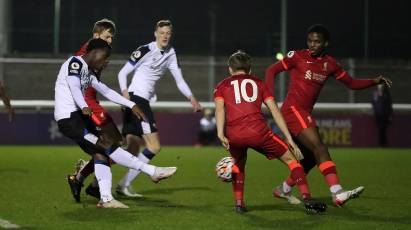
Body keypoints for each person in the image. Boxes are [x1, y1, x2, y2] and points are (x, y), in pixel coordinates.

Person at [265, 24, 392, 206]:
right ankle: (337, 193)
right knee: (320, 147)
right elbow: (271, 70)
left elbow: (351, 83)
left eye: (317, 41)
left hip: (304, 112)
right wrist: (269, 97)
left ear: (325, 43)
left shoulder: (330, 64)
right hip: (293, 110)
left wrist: (374, 81)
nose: (312, 44)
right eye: (310, 40)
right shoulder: (298, 56)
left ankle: (283, 189)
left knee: (310, 158)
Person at [54, 38, 177, 208]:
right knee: (106, 145)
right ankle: (152, 171)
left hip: (78, 117)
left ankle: (105, 199)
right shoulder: (74, 63)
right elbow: (74, 86)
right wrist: (83, 106)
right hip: (69, 119)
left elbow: (106, 90)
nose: (106, 62)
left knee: (102, 153)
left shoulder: (88, 72)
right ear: (95, 53)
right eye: (104, 58)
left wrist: (131, 104)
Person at [214, 50, 326, 214]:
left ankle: (239, 204)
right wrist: (289, 138)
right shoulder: (259, 83)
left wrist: (220, 133)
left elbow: (219, 110)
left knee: (238, 166)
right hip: (258, 132)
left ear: (230, 70)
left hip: (235, 134)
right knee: (293, 161)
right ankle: (307, 198)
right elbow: (274, 110)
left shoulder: (221, 86)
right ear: (250, 69)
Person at [116, 20, 202, 195]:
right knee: (154, 146)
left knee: (132, 147)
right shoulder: (145, 49)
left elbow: (179, 80)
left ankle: (103, 172)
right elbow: (122, 73)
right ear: (155, 33)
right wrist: (125, 93)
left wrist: (191, 97)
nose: (164, 36)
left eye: (168, 33)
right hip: (136, 100)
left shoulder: (171, 53)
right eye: (161, 32)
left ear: (171, 35)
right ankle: (123, 182)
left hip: (139, 101)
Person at [68, 19, 143, 201]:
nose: (110, 40)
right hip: (88, 106)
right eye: (107, 36)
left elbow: (95, 83)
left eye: (112, 37)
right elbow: (74, 80)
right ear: (96, 36)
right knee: (111, 146)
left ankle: (82, 180)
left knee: (113, 145)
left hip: (94, 102)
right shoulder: (85, 53)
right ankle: (91, 185)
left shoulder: (98, 52)